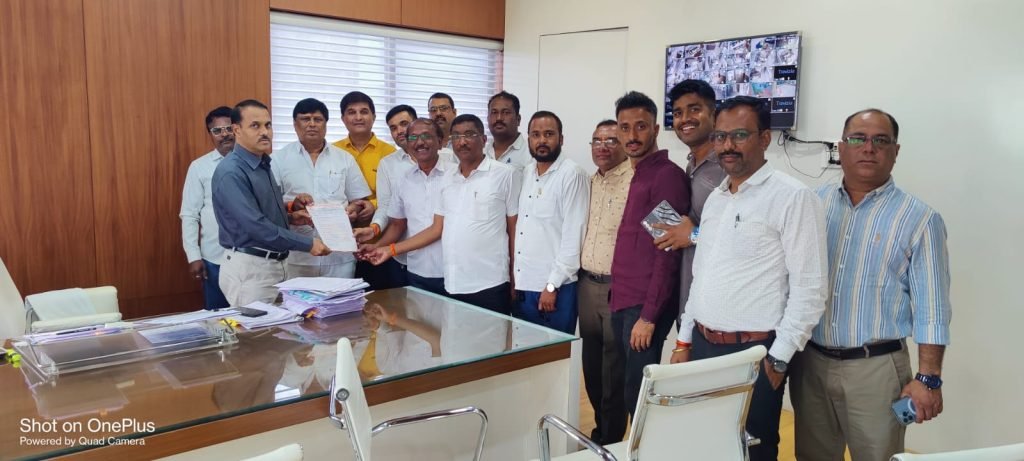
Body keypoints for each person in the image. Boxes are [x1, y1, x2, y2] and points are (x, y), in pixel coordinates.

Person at [671, 96, 827, 461]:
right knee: (708, 445)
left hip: (755, 353)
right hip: (704, 346)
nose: (727, 145)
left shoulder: (793, 197)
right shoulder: (717, 199)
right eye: (721, 136)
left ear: (765, 138)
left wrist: (780, 357)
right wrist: (684, 339)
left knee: (753, 448)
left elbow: (811, 288)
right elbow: (701, 275)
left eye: (739, 135)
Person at [790, 109, 952, 461]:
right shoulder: (812, 204)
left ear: (896, 151)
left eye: (881, 140)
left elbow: (933, 309)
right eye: (858, 139)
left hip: (876, 371)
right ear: (840, 147)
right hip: (810, 363)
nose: (868, 148)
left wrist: (929, 378)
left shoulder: (920, 218)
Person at [362, 114, 521, 315]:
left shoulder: (497, 174)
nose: (462, 142)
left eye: (469, 135)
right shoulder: (439, 178)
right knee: (437, 332)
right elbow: (423, 226)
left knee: (487, 331)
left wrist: (516, 277)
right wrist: (383, 248)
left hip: (480, 279)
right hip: (437, 277)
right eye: (456, 136)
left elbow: (515, 230)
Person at [609, 91, 689, 416]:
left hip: (642, 306)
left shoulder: (665, 176)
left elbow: (667, 252)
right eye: (624, 127)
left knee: (639, 399)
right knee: (629, 392)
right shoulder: (639, 174)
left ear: (655, 129)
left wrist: (648, 316)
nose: (632, 135)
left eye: (641, 126)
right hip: (623, 299)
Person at [212, 99, 331, 306]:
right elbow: (255, 226)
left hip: (277, 264)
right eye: (255, 126)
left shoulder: (262, 163)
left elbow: (264, 211)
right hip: (251, 269)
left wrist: (290, 216)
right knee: (256, 327)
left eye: (268, 125)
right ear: (237, 130)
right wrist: (308, 244)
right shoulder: (231, 171)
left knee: (284, 326)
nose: (264, 132)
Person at [651, 80, 727, 326]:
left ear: (713, 115)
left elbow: (741, 235)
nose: (685, 119)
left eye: (694, 109)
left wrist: (693, 235)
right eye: (678, 113)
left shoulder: (727, 168)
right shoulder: (690, 165)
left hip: (718, 309)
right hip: (687, 300)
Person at [273, 98, 372, 279]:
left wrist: (354, 209)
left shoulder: (344, 158)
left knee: (342, 298)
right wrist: (292, 209)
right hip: (297, 256)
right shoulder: (278, 160)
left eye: (317, 119)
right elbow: (270, 206)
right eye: (305, 119)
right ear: (295, 124)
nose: (312, 124)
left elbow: (360, 201)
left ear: (326, 124)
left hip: (339, 255)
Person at [512, 111, 589, 334]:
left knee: (555, 352)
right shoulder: (527, 172)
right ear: (528, 138)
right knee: (525, 349)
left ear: (561, 139)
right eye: (535, 135)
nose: (542, 140)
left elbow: (574, 236)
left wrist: (552, 285)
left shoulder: (572, 174)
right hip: (525, 285)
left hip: (556, 288)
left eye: (549, 134)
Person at [578, 119, 631, 445]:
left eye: (611, 140)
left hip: (618, 288)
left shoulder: (637, 182)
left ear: (624, 143)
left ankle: (610, 442)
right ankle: (600, 433)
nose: (603, 147)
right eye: (597, 140)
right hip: (587, 284)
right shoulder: (588, 182)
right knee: (592, 369)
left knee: (614, 372)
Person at [357, 118, 453, 296]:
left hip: (451, 269)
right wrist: (377, 246)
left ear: (440, 141)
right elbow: (397, 224)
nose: (419, 142)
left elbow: (438, 228)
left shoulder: (455, 175)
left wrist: (391, 249)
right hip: (416, 269)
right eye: (413, 138)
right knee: (416, 313)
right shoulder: (404, 179)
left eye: (426, 136)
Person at [331, 91, 404, 289]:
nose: (358, 117)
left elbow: (399, 196)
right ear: (343, 119)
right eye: (351, 112)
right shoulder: (332, 152)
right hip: (342, 244)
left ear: (373, 117)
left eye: (364, 111)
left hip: (382, 241)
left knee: (381, 300)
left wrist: (372, 205)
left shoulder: (389, 153)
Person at [180, 106, 235, 310]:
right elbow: (189, 215)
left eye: (229, 128)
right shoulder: (199, 167)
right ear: (210, 134)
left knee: (251, 317)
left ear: (237, 129)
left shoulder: (255, 163)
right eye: (217, 130)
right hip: (214, 258)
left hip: (250, 258)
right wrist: (193, 256)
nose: (224, 134)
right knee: (217, 318)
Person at [484, 91, 530, 169]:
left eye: (506, 112)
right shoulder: (482, 153)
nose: (499, 118)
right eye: (494, 112)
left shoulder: (530, 154)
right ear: (488, 119)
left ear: (518, 119)